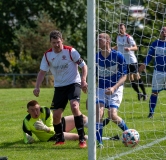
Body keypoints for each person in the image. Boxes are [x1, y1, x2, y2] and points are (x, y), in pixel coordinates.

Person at [33, 30, 88, 148]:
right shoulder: (47, 55)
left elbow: (84, 66)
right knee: (56, 115)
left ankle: (82, 138)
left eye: (58, 42)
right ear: (50, 43)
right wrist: (37, 87)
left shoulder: (70, 51)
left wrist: (83, 80)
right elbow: (42, 72)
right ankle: (60, 139)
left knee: (74, 106)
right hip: (59, 87)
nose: (56, 45)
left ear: (62, 40)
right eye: (54, 43)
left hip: (73, 83)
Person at [95, 33, 129, 148]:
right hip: (101, 88)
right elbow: (91, 74)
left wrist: (114, 87)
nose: (97, 41)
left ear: (108, 41)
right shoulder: (95, 57)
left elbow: (124, 76)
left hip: (116, 88)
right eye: (97, 40)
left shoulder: (118, 56)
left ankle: (129, 134)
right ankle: (99, 142)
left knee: (112, 114)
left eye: (100, 39)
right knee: (99, 113)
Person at [23, 100, 88, 144]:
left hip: (57, 124)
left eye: (37, 109)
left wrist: (45, 128)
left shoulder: (46, 111)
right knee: (80, 137)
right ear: (28, 111)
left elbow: (52, 128)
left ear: (39, 108)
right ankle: (93, 138)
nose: (35, 112)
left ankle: (97, 129)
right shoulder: (26, 121)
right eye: (32, 110)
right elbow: (26, 138)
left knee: (82, 118)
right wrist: (29, 140)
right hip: (52, 136)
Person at [113, 23, 147, 101]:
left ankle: (145, 93)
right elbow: (118, 46)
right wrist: (111, 48)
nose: (120, 29)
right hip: (124, 61)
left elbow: (135, 47)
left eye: (122, 28)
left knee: (137, 77)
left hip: (131, 60)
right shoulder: (118, 37)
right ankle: (139, 93)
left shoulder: (128, 38)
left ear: (125, 29)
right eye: (119, 28)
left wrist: (129, 49)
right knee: (129, 78)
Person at [139, 26, 166, 118]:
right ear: (160, 33)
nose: (164, 33)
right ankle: (151, 113)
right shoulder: (155, 43)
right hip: (158, 72)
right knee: (155, 92)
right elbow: (149, 56)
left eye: (165, 31)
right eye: (162, 31)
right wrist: (144, 64)